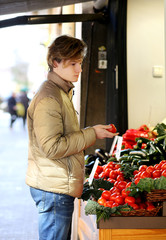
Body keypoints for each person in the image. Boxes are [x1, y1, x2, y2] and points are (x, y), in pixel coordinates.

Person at [25, 35, 118, 240]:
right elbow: (52, 147)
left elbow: (63, 136)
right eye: (74, 63)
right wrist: (91, 133)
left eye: (80, 63)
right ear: (55, 62)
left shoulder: (61, 92)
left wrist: (93, 130)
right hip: (54, 189)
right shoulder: (50, 98)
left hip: (56, 185)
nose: (80, 69)